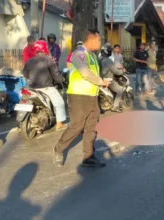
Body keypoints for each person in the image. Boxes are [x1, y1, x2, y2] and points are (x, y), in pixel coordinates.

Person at [52, 29, 111, 168]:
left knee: (92, 127)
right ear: (91, 39)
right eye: (98, 40)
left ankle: (88, 156)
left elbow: (93, 75)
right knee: (77, 126)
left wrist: (102, 82)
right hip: (79, 96)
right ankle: (58, 149)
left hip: (92, 96)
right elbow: (85, 73)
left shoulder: (92, 56)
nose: (99, 42)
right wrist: (101, 82)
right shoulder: (79, 54)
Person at [23, 40, 66, 131]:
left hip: (31, 88)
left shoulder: (29, 61)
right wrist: (62, 80)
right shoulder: (49, 60)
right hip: (46, 87)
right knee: (59, 103)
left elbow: (26, 74)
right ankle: (59, 123)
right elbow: (56, 76)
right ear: (45, 49)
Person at [99, 43, 125, 112]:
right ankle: (115, 106)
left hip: (99, 79)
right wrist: (122, 72)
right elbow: (116, 71)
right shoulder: (107, 60)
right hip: (107, 79)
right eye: (109, 50)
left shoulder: (99, 59)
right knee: (120, 90)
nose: (111, 51)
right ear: (107, 51)